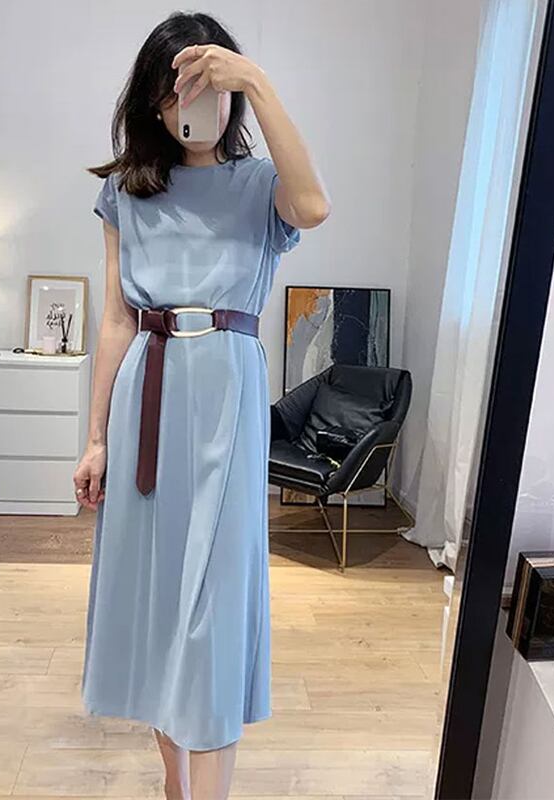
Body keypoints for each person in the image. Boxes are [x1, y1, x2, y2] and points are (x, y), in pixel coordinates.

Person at [73, 11, 329, 800]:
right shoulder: (126, 191)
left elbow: (314, 204)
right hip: (146, 391)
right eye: (173, 88)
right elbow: (117, 319)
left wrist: (256, 80)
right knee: (156, 597)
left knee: (211, 607)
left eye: (204, 84)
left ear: (229, 92)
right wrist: (95, 438)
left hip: (225, 389)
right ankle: (176, 785)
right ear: (153, 102)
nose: (188, 103)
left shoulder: (259, 184)